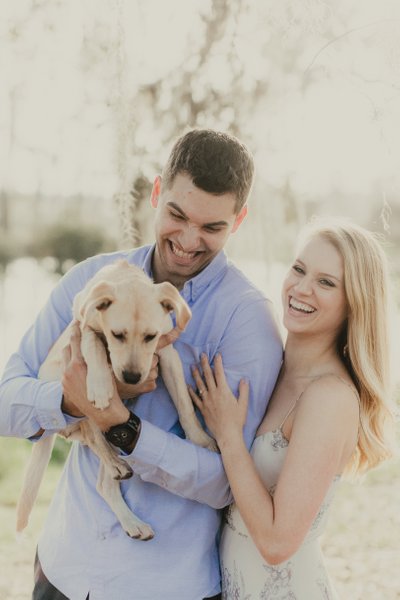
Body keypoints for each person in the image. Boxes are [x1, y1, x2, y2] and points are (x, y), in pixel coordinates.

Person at [0, 129, 283, 600]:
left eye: (212, 228)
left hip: (165, 584)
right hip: (64, 568)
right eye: (176, 214)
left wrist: (122, 426)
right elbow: (6, 402)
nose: (189, 241)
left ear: (239, 220)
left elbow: (228, 483)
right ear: (156, 193)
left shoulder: (247, 322)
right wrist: (70, 400)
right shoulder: (90, 281)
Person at [189, 218, 395, 599]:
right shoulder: (271, 368)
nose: (301, 288)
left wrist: (230, 436)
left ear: (355, 305)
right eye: (299, 269)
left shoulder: (329, 398)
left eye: (326, 282)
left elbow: (277, 544)